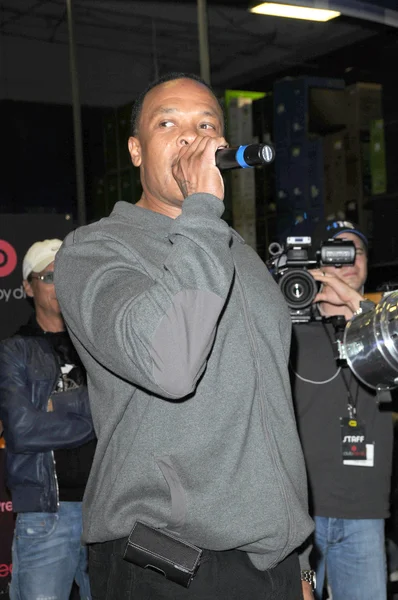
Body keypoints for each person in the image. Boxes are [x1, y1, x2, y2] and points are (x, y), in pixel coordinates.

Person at [54, 72, 315, 600]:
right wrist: (201, 211)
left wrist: (300, 564)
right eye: (168, 123)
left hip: (271, 566)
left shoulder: (238, 255)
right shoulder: (94, 251)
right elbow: (170, 364)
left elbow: (273, 418)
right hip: (168, 562)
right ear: (135, 150)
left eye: (206, 125)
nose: (191, 139)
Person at [290, 219, 393, 600]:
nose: (348, 261)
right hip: (302, 516)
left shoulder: (387, 327)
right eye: (337, 253)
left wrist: (356, 306)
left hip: (364, 513)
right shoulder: (291, 329)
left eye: (356, 252)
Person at [0, 239, 96, 600]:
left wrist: (57, 408)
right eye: (49, 276)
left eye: (67, 274)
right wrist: (90, 415)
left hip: (106, 510)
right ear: (28, 286)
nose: (60, 283)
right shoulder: (13, 350)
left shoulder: (98, 344)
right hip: (45, 515)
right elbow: (22, 430)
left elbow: (122, 411)